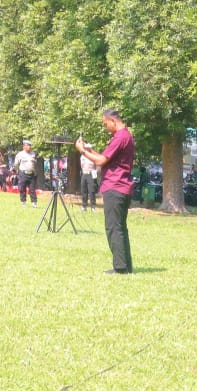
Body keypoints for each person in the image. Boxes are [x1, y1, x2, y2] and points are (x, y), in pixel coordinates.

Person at [77, 109, 135, 274]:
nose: (105, 127)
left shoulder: (120, 137)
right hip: (122, 187)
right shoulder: (126, 136)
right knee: (120, 228)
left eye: (105, 124)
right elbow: (105, 157)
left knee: (113, 228)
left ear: (113, 121)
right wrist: (88, 149)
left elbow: (101, 161)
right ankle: (126, 265)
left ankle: (120, 267)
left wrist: (82, 151)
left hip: (115, 186)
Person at [12, 140, 39, 207]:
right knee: (22, 188)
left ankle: (34, 203)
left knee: (32, 189)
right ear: (24, 146)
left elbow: (35, 163)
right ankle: (23, 202)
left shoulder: (33, 154)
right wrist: (17, 171)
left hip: (31, 174)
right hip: (23, 173)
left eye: (30, 146)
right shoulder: (20, 154)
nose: (29, 147)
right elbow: (16, 164)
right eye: (28, 145)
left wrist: (35, 170)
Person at [77, 142, 99, 211]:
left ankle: (93, 206)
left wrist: (95, 173)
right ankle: (84, 206)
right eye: (86, 148)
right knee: (84, 190)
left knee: (91, 191)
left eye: (88, 148)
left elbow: (97, 166)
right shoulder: (82, 156)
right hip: (84, 173)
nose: (87, 149)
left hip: (91, 174)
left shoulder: (93, 156)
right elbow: (82, 165)